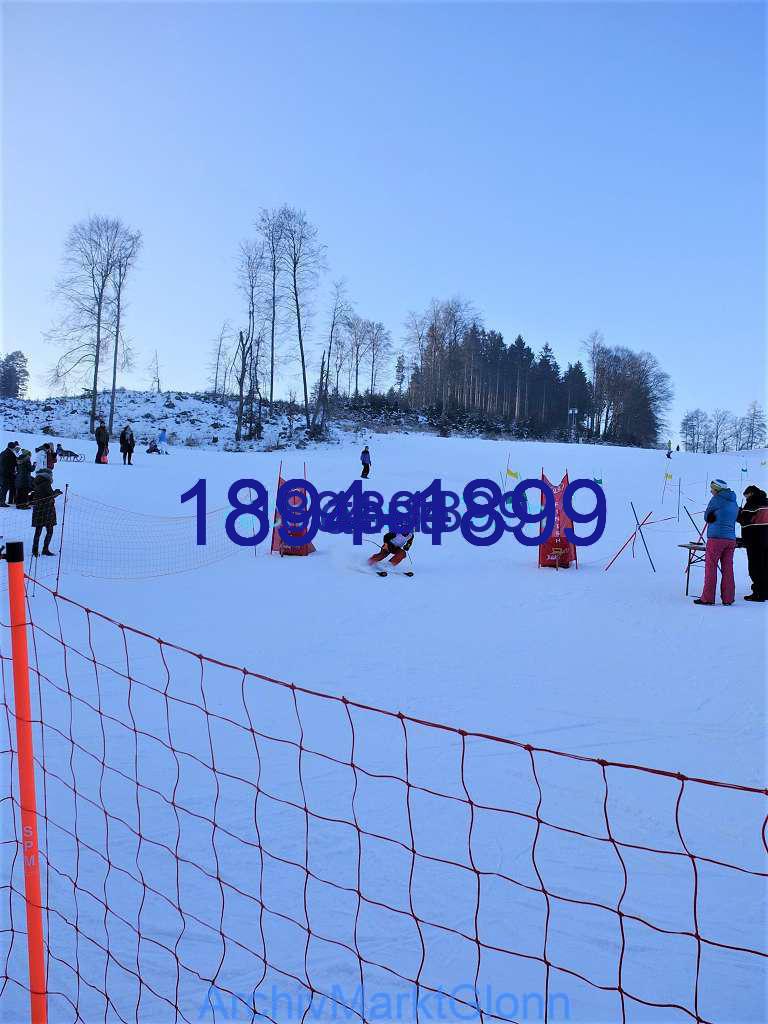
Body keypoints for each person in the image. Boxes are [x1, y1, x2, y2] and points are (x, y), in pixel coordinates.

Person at [694, 479, 738, 606]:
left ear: (717, 489)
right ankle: (728, 598)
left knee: (711, 567)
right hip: (731, 539)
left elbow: (707, 516)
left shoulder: (716, 499)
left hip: (716, 538)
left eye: (712, 489)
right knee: (728, 568)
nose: (711, 491)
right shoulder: (733, 502)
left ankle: (708, 598)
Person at [737, 485, 768, 602]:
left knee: (755, 567)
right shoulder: (766, 502)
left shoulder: (752, 503)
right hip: (766, 539)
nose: (746, 498)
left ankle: (758, 594)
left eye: (746, 496)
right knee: (765, 566)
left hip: (754, 540)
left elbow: (743, 519)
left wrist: (739, 512)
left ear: (750, 494)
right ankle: (765, 592)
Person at [30, 468, 62, 556]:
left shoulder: (37, 481)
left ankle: (35, 550)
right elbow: (50, 495)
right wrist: (57, 492)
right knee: (50, 530)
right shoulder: (46, 483)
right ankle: (45, 549)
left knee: (38, 530)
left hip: (38, 508)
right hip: (47, 509)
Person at [0, 441, 19, 506]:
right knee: (5, 488)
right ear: (13, 447)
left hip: (1, 472)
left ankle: (1, 501)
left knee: (2, 488)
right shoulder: (10, 454)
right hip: (7, 474)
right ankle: (2, 502)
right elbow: (14, 463)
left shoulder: (2, 453)